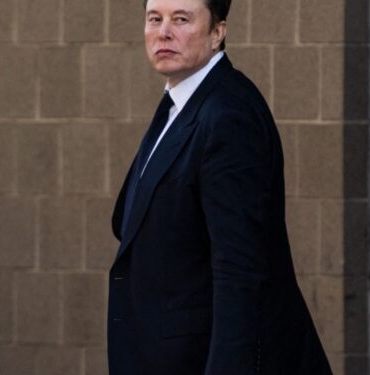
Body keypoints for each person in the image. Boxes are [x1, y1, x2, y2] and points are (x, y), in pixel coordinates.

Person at [107, 0, 332, 373]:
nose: (164, 32)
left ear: (217, 33)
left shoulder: (228, 114)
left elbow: (240, 269)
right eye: (154, 19)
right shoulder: (180, 104)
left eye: (181, 19)